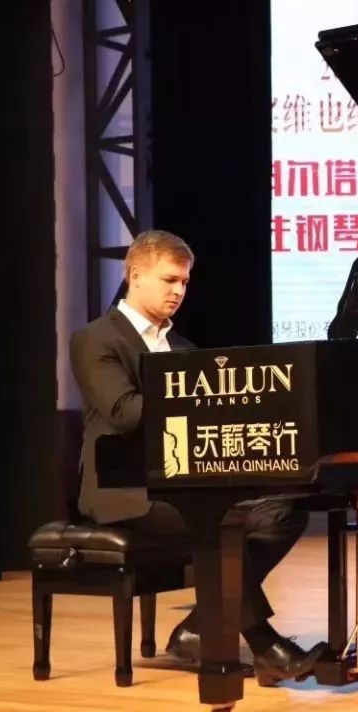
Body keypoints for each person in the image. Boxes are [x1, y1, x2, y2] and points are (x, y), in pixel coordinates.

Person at [68, 229, 324, 684]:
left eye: (184, 282)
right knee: (217, 521)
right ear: (135, 275)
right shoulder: (96, 339)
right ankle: (266, 646)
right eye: (169, 280)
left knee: (284, 512)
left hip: (185, 483)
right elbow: (125, 412)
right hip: (122, 492)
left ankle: (198, 627)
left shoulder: (183, 349)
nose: (179, 291)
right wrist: (194, 397)